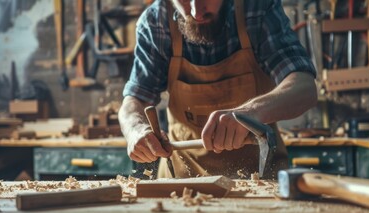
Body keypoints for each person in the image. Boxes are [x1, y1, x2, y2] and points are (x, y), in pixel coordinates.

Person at [119, 0, 317, 179]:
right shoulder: (156, 21)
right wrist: (135, 128)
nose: (197, 12)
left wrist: (251, 113)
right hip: (183, 184)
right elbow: (135, 100)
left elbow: (304, 86)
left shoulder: (257, 9)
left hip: (258, 183)